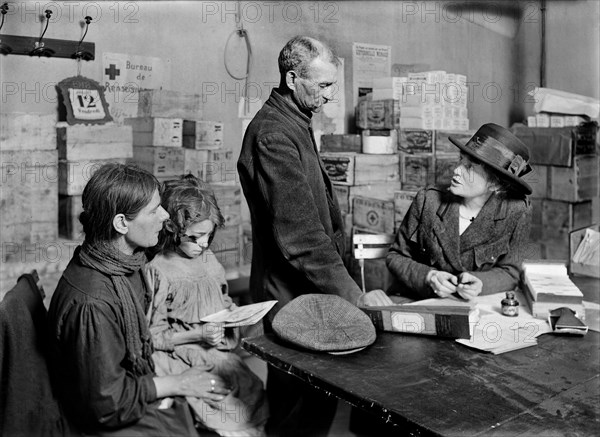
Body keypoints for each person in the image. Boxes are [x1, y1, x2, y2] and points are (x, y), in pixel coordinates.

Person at [237, 36, 378, 436]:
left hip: (310, 288)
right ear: (292, 77)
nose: (331, 96)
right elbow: (299, 233)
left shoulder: (295, 121)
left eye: (334, 84)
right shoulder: (273, 135)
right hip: (290, 293)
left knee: (318, 399)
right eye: (324, 86)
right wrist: (353, 294)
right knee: (296, 406)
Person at [47, 163, 231, 436]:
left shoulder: (122, 261)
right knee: (191, 419)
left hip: (130, 383)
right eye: (154, 210)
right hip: (101, 415)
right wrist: (176, 384)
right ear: (121, 223)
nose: (165, 215)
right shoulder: (93, 303)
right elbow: (108, 403)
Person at [144, 174, 269, 436]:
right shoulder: (158, 270)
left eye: (208, 236)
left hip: (214, 350)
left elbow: (221, 299)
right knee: (220, 398)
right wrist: (199, 333)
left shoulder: (208, 259)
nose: (202, 244)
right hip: (181, 355)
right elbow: (153, 336)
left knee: (251, 387)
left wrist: (235, 315)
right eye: (194, 237)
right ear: (173, 229)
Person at [387, 123, 534, 300]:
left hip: (477, 307)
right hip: (419, 299)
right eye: (461, 161)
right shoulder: (428, 201)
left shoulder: (516, 211)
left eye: (470, 167)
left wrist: (481, 283)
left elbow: (511, 272)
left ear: (495, 184)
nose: (456, 171)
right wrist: (429, 277)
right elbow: (395, 257)